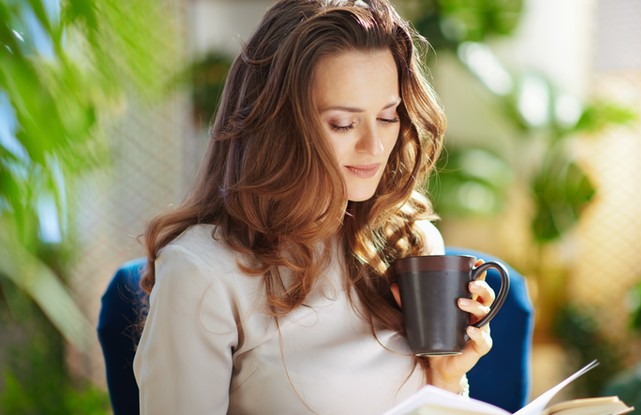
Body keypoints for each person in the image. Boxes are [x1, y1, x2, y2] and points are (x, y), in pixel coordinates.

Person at [133, 0, 497, 413]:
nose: (374, 147)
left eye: (388, 117)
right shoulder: (202, 272)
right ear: (279, 127)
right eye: (343, 123)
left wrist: (446, 378)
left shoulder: (408, 243)